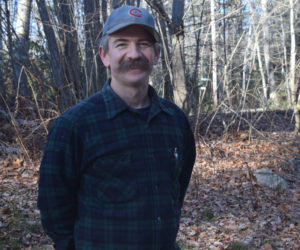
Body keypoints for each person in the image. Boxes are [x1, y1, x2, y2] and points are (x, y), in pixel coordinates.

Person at [38, 5, 195, 250]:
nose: (134, 53)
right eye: (122, 44)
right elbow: (54, 209)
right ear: (104, 55)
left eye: (143, 44)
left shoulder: (174, 121)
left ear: (156, 54)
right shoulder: (74, 126)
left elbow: (177, 188)